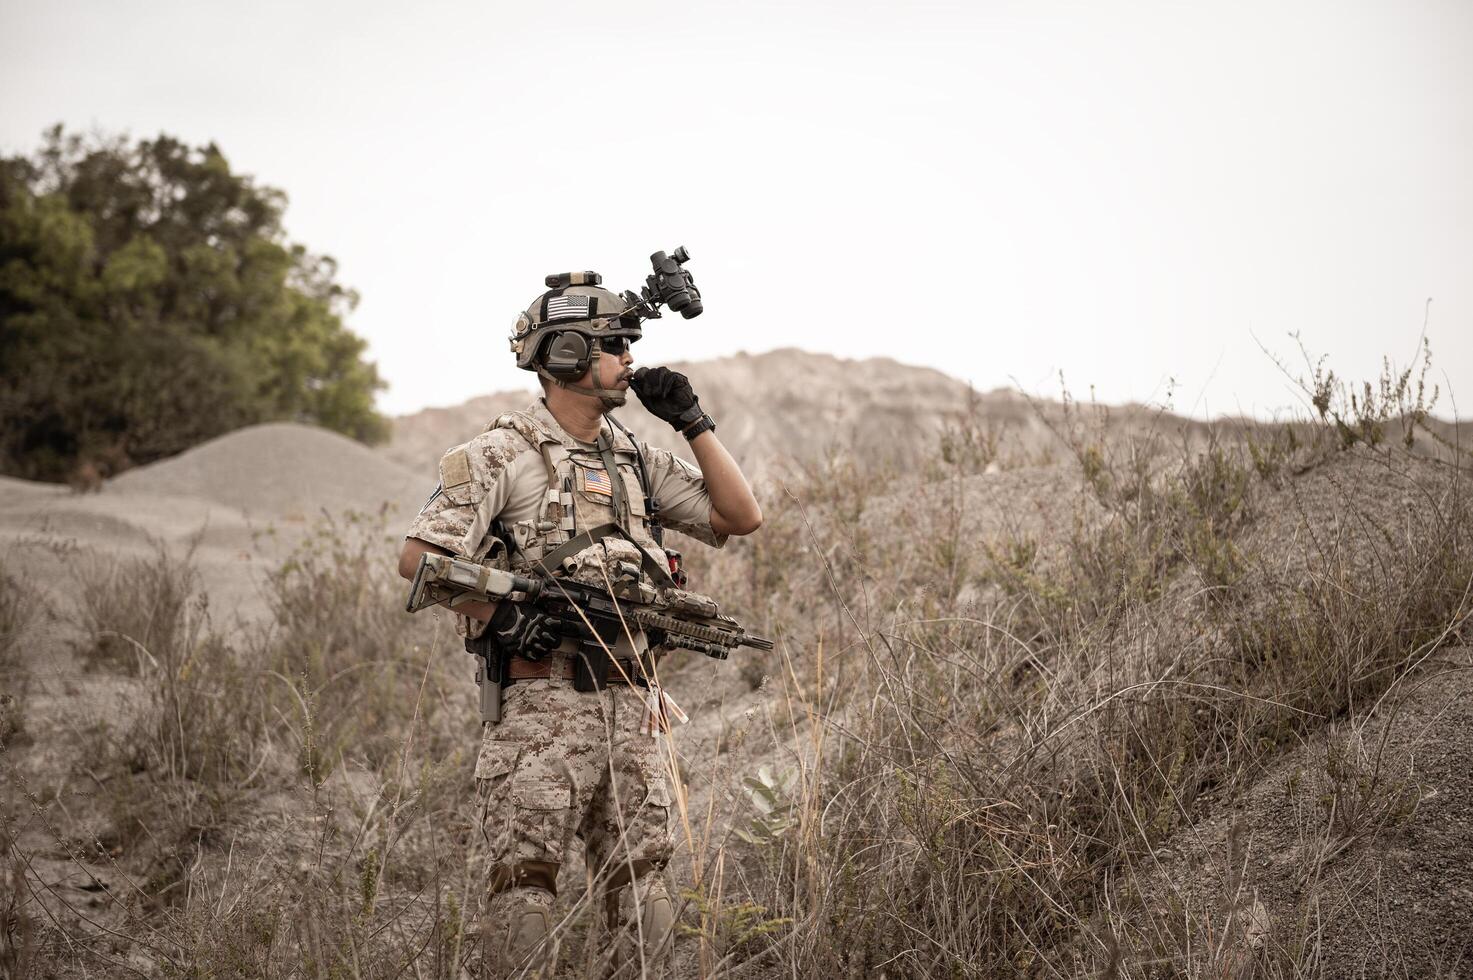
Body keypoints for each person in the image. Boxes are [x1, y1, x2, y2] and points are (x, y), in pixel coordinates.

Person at [398, 270, 762, 979]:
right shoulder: (501, 453)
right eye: (613, 345)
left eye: (629, 343)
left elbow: (739, 517)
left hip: (633, 703)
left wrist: (692, 423)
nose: (629, 358)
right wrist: (503, 609)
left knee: (645, 882)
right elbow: (420, 558)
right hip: (541, 705)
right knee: (525, 884)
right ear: (565, 356)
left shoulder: (631, 457)